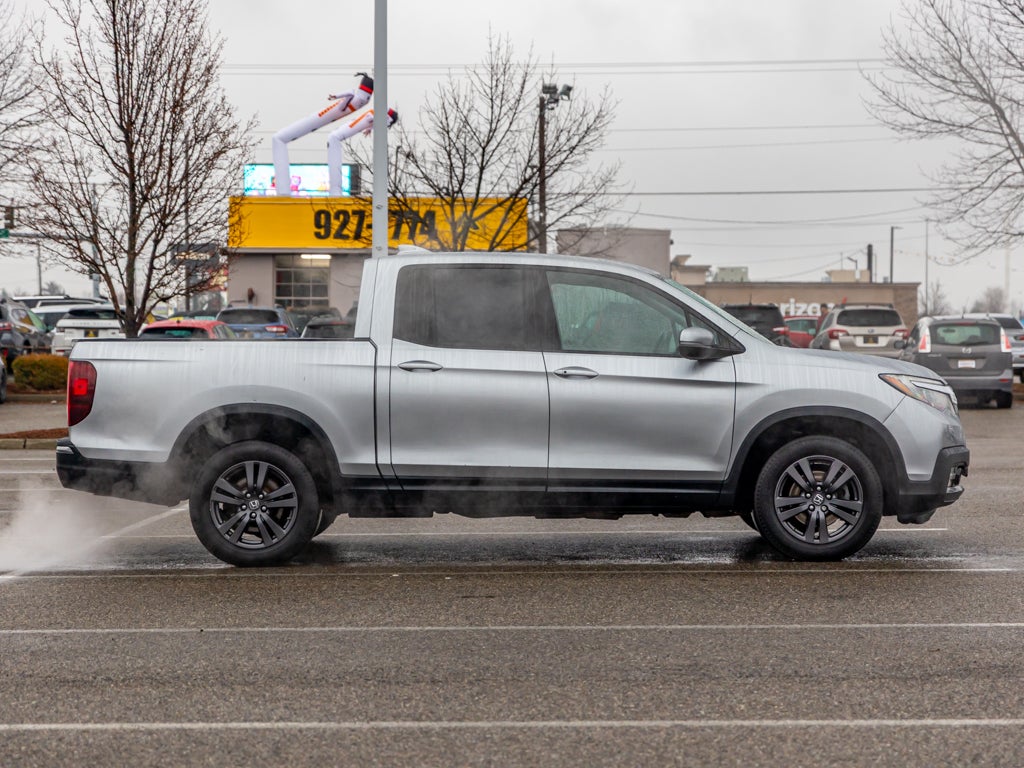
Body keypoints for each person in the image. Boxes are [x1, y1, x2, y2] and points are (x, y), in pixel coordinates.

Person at [271, 73, 374, 197]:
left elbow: (350, 94)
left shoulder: (359, 101)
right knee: (279, 138)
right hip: (325, 116)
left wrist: (337, 97)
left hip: (322, 117)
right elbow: (350, 96)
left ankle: (283, 192)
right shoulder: (363, 102)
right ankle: (284, 192)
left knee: (278, 138)